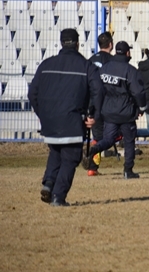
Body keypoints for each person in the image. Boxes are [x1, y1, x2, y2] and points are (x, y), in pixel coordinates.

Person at [29, 28, 104, 206]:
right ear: (78, 44)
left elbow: (33, 93)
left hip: (50, 121)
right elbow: (98, 91)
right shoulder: (87, 66)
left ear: (61, 42)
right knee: (70, 157)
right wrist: (94, 115)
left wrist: (43, 114)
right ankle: (58, 196)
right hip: (73, 120)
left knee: (56, 152)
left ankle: (48, 184)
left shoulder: (46, 65)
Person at [85, 41, 147, 179]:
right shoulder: (130, 71)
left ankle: (96, 148)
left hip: (108, 112)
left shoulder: (105, 68)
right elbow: (138, 92)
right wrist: (142, 107)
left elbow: (96, 89)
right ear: (127, 53)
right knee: (129, 141)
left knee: (108, 139)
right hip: (126, 113)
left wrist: (94, 108)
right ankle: (127, 171)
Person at [86, 32, 113, 176]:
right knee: (114, 133)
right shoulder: (113, 61)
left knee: (97, 136)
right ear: (111, 44)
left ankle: (92, 168)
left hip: (92, 103)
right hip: (108, 103)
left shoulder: (89, 60)